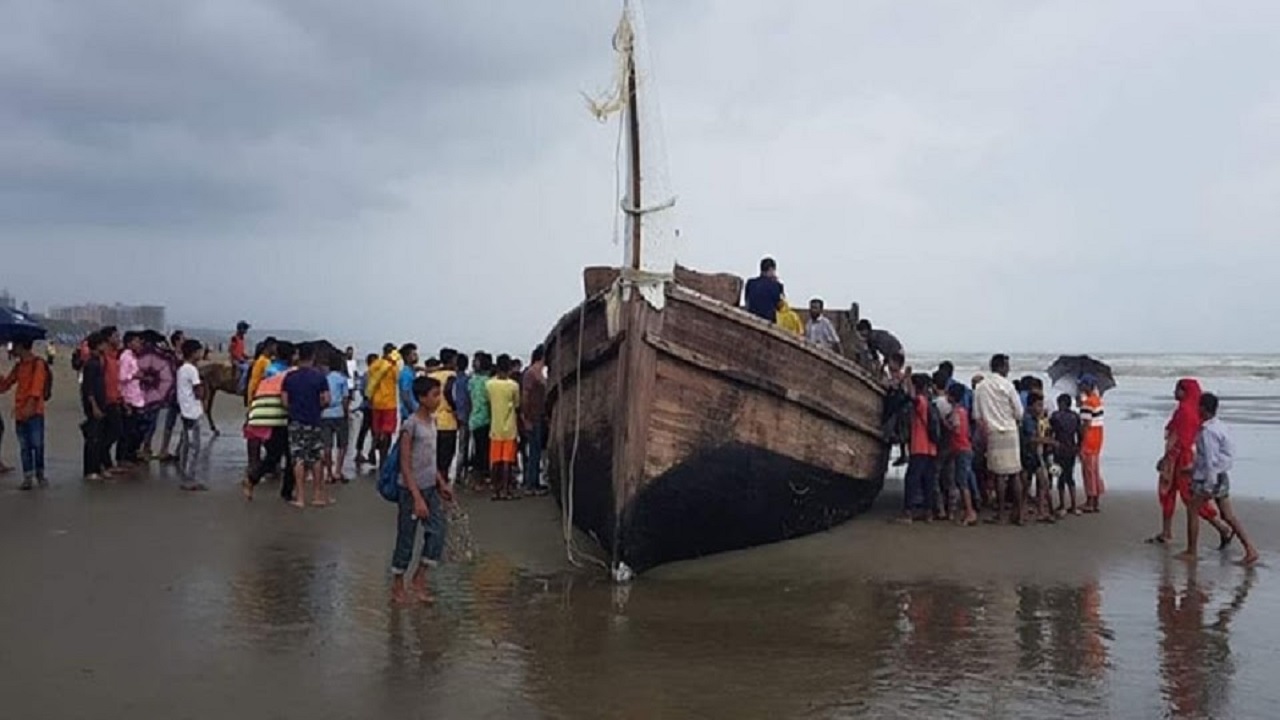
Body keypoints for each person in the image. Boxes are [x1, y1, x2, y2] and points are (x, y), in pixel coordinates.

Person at [390, 376, 455, 606]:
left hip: (430, 487)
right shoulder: (410, 425)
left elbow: (431, 459)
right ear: (421, 398)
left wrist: (441, 482)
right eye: (434, 395)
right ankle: (398, 585)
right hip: (410, 491)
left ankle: (419, 579)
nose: (438, 399)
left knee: (437, 533)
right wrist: (417, 497)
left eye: (439, 394)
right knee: (406, 539)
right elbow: (405, 465)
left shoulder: (433, 422)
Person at [1151, 379, 1233, 547]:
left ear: (1184, 391)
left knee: (1190, 498)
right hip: (1182, 457)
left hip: (1180, 459)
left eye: (1177, 389)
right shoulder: (1189, 410)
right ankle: (1166, 532)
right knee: (1169, 494)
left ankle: (1222, 528)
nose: (1174, 392)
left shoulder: (1185, 411)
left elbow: (1180, 438)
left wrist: (1166, 459)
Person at [1181, 393, 1259, 565]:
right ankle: (1250, 549)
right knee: (1228, 515)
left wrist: (1207, 484)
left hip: (1210, 477)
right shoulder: (1220, 426)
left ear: (1202, 408)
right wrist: (1193, 469)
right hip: (1222, 474)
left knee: (1192, 509)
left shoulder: (1207, 432)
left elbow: (1210, 460)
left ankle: (1191, 550)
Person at [973, 354, 1024, 524]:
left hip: (993, 432)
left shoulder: (980, 387)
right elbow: (1019, 412)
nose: (1008, 369)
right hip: (1010, 430)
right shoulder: (1007, 385)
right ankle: (1019, 513)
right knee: (1015, 473)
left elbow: (977, 415)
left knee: (999, 475)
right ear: (1001, 367)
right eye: (1007, 366)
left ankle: (1001, 513)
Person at [282, 342, 332, 508]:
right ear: (313, 357)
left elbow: (284, 401)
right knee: (316, 457)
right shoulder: (319, 377)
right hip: (314, 420)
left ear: (298, 356)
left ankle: (300, 497)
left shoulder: (289, 377)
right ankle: (317, 495)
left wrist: (294, 408)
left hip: (296, 421)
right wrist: (318, 407)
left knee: (298, 458)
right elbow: (326, 400)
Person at [240, 351, 292, 501]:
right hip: (277, 417)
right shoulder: (277, 370)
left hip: (263, 413)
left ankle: (253, 479)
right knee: (286, 455)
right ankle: (285, 492)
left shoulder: (271, 372)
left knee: (275, 455)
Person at [0, 339, 51, 489]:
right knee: (24, 446)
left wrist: (29, 406)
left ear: (21, 346)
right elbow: (6, 384)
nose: (12, 349)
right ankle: (28, 475)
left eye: (14, 346)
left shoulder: (38, 364)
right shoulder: (19, 366)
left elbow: (37, 387)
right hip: (20, 411)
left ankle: (40, 474)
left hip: (34, 411)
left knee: (37, 444)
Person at [899, 374, 937, 523]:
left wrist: (907, 379)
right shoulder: (929, 401)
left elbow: (913, 398)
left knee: (912, 480)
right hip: (930, 448)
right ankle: (928, 513)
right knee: (927, 481)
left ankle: (908, 513)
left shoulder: (921, 401)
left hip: (920, 446)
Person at [486, 354, 521, 501]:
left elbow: (488, 402)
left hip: (495, 426)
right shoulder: (513, 385)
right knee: (507, 460)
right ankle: (506, 490)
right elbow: (517, 404)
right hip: (510, 426)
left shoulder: (489, 384)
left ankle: (495, 490)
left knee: (495, 461)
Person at [175, 339, 207, 491]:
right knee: (194, 447)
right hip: (191, 411)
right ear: (194, 353)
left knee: (188, 445)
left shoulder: (182, 369)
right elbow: (198, 390)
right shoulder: (191, 370)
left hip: (186, 409)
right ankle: (189, 479)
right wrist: (202, 392)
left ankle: (187, 476)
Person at [946, 383, 978, 526]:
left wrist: (945, 424)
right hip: (965, 447)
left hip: (960, 448)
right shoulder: (963, 411)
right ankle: (968, 510)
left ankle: (970, 512)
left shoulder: (956, 412)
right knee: (962, 481)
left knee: (962, 482)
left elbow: (956, 430)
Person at [1020, 393, 1054, 523]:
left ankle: (1041, 511)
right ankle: (1023, 513)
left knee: (1042, 482)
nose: (1041, 408)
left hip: (1035, 455)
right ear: (1030, 406)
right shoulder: (1028, 419)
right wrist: (1048, 441)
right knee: (1027, 486)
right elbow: (1031, 439)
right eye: (1038, 405)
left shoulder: (1035, 419)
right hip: (1028, 456)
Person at [80, 332, 110, 481]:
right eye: (104, 344)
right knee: (93, 438)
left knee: (99, 436)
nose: (106, 346)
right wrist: (94, 406)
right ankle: (90, 470)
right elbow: (88, 388)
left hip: (100, 402)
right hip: (94, 405)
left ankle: (98, 467)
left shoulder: (98, 361)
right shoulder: (91, 364)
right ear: (98, 345)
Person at [427, 349, 459, 486]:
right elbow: (451, 394)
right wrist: (455, 409)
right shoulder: (452, 376)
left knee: (435, 455)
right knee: (446, 456)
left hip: (432, 419)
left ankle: (434, 480)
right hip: (448, 419)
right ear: (452, 360)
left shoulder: (431, 376)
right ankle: (443, 481)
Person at [366, 344, 400, 468]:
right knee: (387, 432)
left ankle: (373, 447)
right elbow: (397, 379)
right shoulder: (392, 366)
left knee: (376, 430)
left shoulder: (375, 364)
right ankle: (383, 458)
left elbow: (370, 375)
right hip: (389, 403)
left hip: (376, 402)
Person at [520, 344, 549, 495]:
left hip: (539, 416)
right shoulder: (531, 373)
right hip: (533, 417)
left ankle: (535, 482)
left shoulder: (537, 373)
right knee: (534, 451)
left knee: (536, 451)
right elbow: (525, 397)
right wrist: (526, 418)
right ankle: (532, 485)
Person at [1049, 393, 1082, 516]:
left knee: (1060, 477)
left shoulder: (1056, 416)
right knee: (1070, 477)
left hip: (1059, 450)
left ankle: (1062, 505)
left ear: (1061, 404)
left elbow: (1050, 431)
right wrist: (1078, 447)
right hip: (1071, 449)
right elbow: (1080, 434)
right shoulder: (1075, 416)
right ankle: (1073, 505)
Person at [321, 355, 352, 484]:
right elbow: (345, 398)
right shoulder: (342, 379)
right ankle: (338, 470)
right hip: (338, 412)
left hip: (325, 413)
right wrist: (346, 412)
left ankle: (328, 473)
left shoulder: (324, 379)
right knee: (342, 444)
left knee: (327, 445)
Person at [157, 330, 186, 462]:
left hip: (177, 391)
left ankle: (176, 450)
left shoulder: (178, 355)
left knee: (174, 422)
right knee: (175, 422)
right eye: (182, 338)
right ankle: (166, 450)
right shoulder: (172, 356)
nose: (184, 340)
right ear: (177, 341)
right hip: (176, 392)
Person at [1078, 376, 1106, 513]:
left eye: (1082, 385)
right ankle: (1096, 500)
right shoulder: (1097, 400)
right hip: (1098, 438)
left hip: (1089, 439)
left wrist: (1080, 441)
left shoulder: (1088, 403)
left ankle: (1090, 500)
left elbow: (1085, 425)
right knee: (1095, 470)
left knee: (1088, 471)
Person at [118, 331, 146, 464]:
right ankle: (123, 457)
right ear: (129, 343)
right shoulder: (125, 357)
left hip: (137, 396)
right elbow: (122, 377)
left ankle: (132, 453)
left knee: (138, 428)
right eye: (136, 341)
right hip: (128, 397)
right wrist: (135, 376)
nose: (139, 343)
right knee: (128, 430)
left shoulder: (134, 357)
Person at [100, 326, 125, 475]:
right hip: (106, 401)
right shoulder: (104, 358)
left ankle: (107, 462)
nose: (118, 339)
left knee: (115, 432)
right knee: (113, 432)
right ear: (108, 338)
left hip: (115, 399)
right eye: (116, 336)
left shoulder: (115, 356)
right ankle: (104, 463)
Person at [469, 352, 493, 482]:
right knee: (484, 449)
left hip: (474, 418)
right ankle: (483, 475)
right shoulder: (487, 382)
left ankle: (478, 475)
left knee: (478, 448)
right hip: (485, 418)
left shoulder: (472, 380)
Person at [354, 352, 378, 466]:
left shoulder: (366, 375)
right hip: (371, 406)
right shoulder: (370, 375)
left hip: (370, 406)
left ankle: (367, 451)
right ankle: (367, 452)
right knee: (369, 430)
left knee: (368, 430)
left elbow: (362, 390)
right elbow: (363, 391)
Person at [743, 257, 784, 322]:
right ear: (771, 269)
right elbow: (781, 306)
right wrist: (777, 284)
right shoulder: (777, 286)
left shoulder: (750, 283)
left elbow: (746, 302)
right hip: (768, 323)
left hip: (751, 320)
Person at [453, 353, 472, 480]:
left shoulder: (455, 380)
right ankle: (461, 472)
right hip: (466, 415)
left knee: (462, 445)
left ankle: (459, 472)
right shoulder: (467, 380)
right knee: (465, 445)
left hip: (458, 415)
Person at [397, 343, 420, 421]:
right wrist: (415, 410)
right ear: (407, 357)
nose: (417, 356)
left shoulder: (412, 371)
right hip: (408, 414)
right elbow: (405, 395)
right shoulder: (406, 374)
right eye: (414, 354)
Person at [230, 320, 251, 395]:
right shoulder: (234, 338)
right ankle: (240, 387)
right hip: (235, 360)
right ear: (240, 329)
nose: (246, 331)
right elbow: (232, 351)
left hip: (240, 359)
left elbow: (241, 351)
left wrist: (246, 356)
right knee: (246, 369)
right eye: (245, 329)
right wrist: (240, 359)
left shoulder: (242, 339)